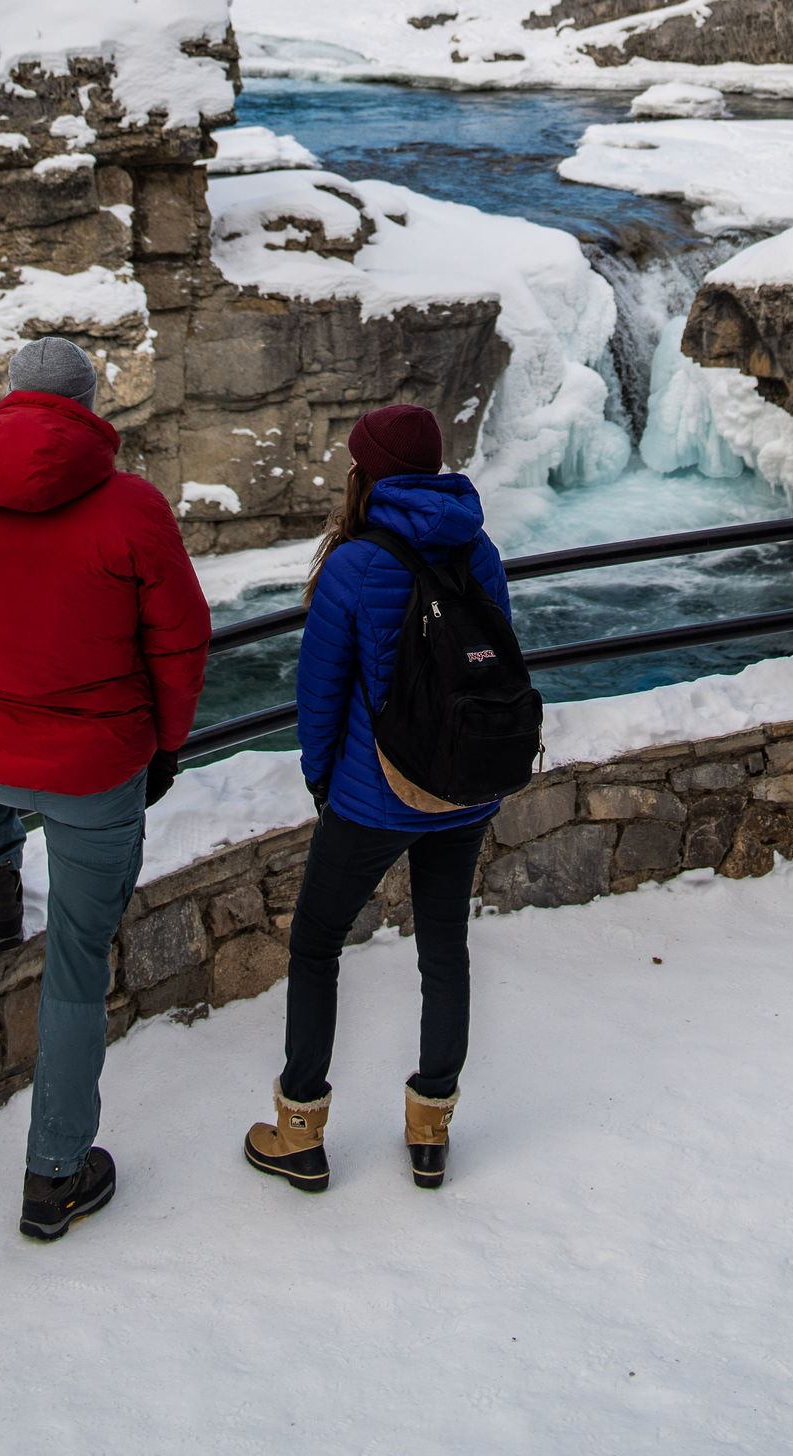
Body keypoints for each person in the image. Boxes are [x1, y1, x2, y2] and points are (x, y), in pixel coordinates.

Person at [0, 333, 210, 1243]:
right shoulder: (132, 509)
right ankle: (55, 1175)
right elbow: (181, 638)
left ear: (8, 398)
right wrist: (164, 743)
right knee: (76, 969)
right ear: (87, 403)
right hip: (95, 765)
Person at [245, 402, 510, 1196]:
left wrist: (325, 783)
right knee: (444, 948)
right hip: (463, 788)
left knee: (318, 943)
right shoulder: (478, 544)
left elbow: (320, 695)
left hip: (372, 796)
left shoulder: (356, 564)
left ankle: (299, 1132)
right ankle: (431, 1129)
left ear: (368, 473)